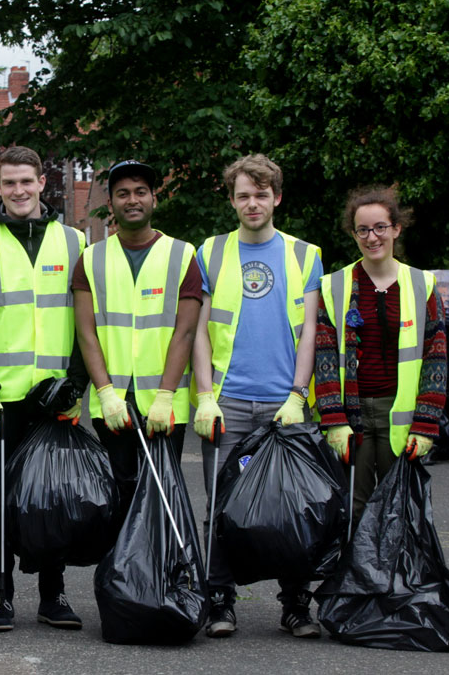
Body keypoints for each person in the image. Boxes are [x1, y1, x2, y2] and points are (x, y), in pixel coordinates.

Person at [0, 146, 88, 632]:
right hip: (2, 398)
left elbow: (84, 322)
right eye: (9, 183)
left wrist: (75, 384)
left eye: (26, 182)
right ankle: (2, 595)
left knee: (53, 495)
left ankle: (53, 595)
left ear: (42, 183)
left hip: (56, 397)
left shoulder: (74, 242)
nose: (18, 191)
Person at [190, 153, 323, 639]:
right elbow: (200, 331)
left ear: (277, 197)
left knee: (292, 506)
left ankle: (295, 605)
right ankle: (220, 601)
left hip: (282, 405)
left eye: (261, 194)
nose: (252, 203)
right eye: (243, 195)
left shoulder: (305, 254)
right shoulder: (211, 252)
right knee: (222, 506)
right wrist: (205, 396)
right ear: (231, 200)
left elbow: (309, 331)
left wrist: (298, 394)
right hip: (227, 402)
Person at [72, 160, 202, 511]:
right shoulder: (91, 258)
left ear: (154, 199)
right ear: (111, 203)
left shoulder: (182, 254)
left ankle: (164, 567)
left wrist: (164, 396)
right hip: (112, 403)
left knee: (162, 499)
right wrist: (105, 393)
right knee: (121, 496)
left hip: (164, 404)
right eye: (123, 193)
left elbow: (185, 332)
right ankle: (123, 567)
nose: (133, 200)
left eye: (140, 192)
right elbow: (86, 334)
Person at [315, 186, 447, 519]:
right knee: (352, 508)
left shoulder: (422, 285)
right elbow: (325, 356)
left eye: (380, 228)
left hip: (400, 415)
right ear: (353, 234)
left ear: (396, 229)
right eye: (363, 230)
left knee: (399, 506)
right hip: (351, 415)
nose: (372, 237)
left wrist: (426, 424)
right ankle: (356, 573)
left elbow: (436, 357)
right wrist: (333, 421)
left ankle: (398, 574)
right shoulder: (335, 285)